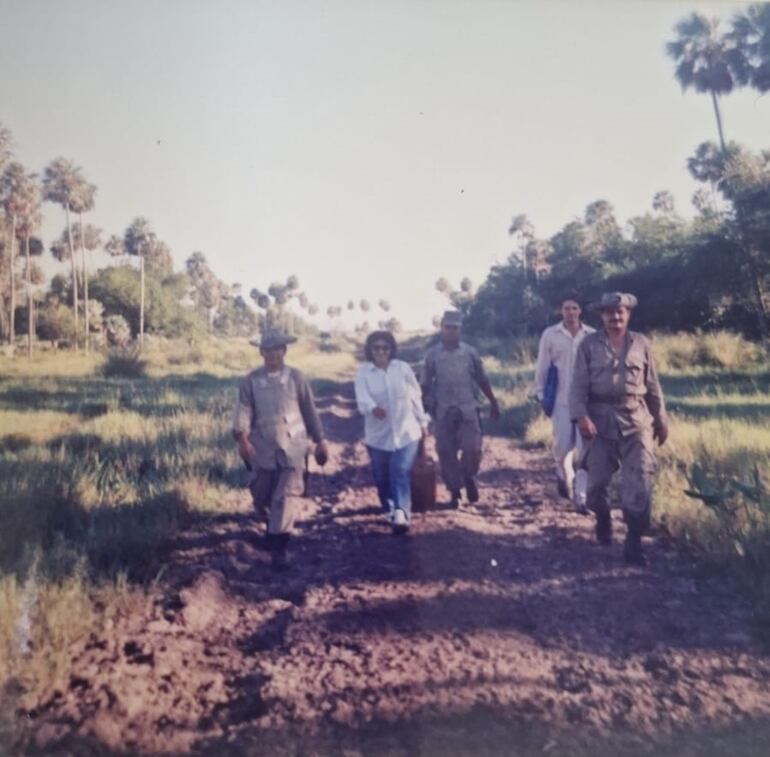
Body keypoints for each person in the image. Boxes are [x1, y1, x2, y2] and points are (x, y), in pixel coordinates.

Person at [569, 292, 668, 566]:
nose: (615, 317)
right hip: (599, 424)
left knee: (640, 482)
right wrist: (581, 418)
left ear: (628, 314)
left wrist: (661, 418)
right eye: (610, 312)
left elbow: (652, 385)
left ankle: (634, 542)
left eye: (620, 312)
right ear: (601, 316)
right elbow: (576, 388)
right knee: (596, 488)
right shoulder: (588, 345)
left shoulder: (641, 343)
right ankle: (602, 517)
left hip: (636, 420)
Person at [233, 330, 328, 569]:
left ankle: (278, 546)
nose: (273, 354)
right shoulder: (251, 381)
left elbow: (309, 411)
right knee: (262, 495)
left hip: (293, 448)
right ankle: (271, 526)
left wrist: (320, 440)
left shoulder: (297, 378)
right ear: (261, 352)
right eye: (268, 349)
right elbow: (243, 411)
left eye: (278, 349)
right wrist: (242, 437)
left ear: (284, 351)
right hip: (262, 449)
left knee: (285, 497)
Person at [421, 311, 500, 508]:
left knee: (473, 449)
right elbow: (424, 385)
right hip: (443, 409)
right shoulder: (432, 355)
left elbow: (482, 379)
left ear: (460, 329)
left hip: (468, 408)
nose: (451, 331)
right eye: (447, 327)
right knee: (446, 452)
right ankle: (454, 492)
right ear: (441, 327)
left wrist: (493, 402)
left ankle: (469, 476)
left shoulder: (470, 352)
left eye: (455, 327)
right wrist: (423, 407)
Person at [354, 330, 429, 534]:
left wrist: (423, 424)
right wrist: (372, 408)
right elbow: (361, 397)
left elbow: (415, 396)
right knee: (381, 476)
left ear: (391, 350)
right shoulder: (364, 372)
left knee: (400, 470)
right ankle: (388, 508)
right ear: (370, 350)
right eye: (376, 348)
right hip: (378, 435)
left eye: (385, 348)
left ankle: (401, 512)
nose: (381, 352)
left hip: (407, 431)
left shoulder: (402, 368)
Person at [534, 295, 595, 510]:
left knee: (585, 450)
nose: (571, 312)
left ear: (580, 311)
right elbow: (542, 366)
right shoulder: (550, 335)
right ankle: (563, 473)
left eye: (574, 308)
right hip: (560, 401)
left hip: (586, 403)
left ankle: (581, 497)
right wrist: (540, 394)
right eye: (567, 308)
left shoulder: (591, 336)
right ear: (561, 311)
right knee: (561, 448)